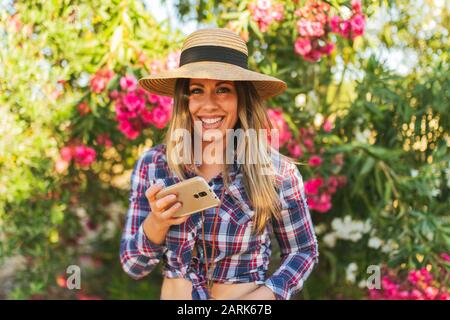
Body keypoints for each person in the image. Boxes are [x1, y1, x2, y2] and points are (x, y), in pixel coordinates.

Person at [120, 28, 318, 300]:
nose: (208, 104)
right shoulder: (154, 165)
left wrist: (265, 297)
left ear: (242, 99)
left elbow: (303, 251)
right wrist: (158, 221)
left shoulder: (277, 173)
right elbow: (133, 266)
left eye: (223, 90)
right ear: (184, 99)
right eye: (197, 90)